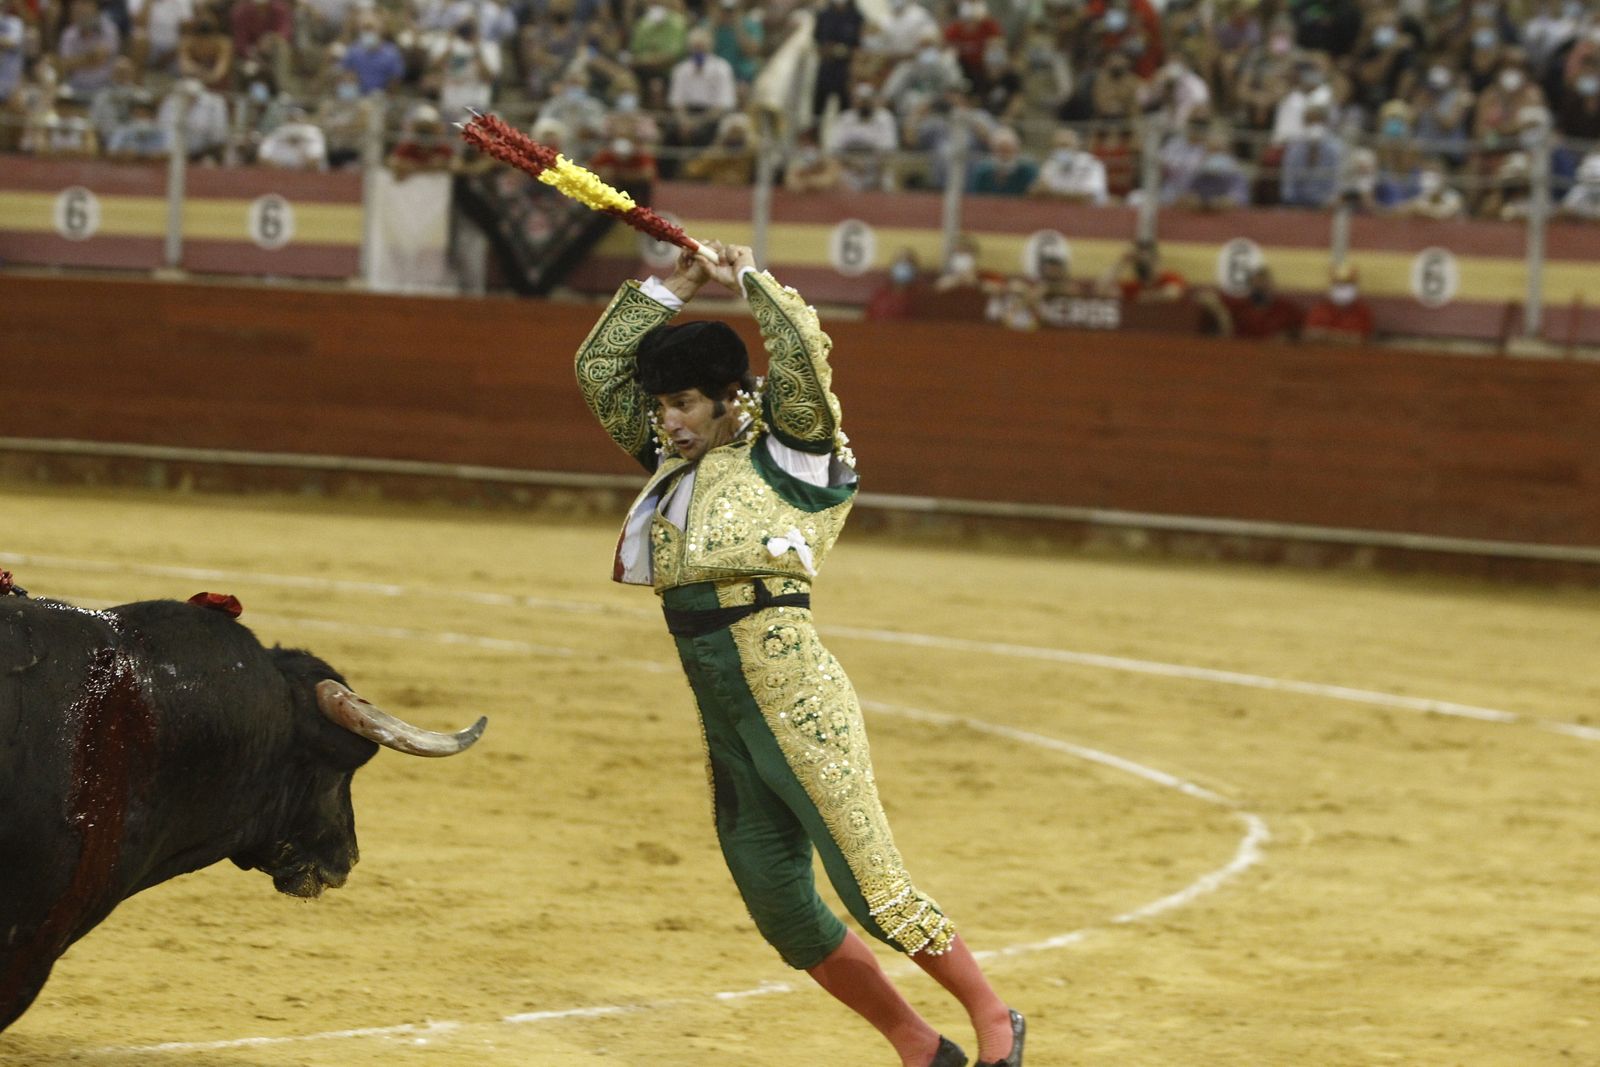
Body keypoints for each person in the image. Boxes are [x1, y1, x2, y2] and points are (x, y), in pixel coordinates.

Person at [571, 240, 1026, 1067]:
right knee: (780, 903)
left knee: (872, 888)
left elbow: (801, 352)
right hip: (723, 710)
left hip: (795, 698)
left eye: (680, 403)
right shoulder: (674, 459)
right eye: (661, 406)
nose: (665, 420)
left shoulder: (795, 450)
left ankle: (995, 1015)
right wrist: (675, 286)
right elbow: (599, 368)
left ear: (727, 398)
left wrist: (748, 273)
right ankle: (920, 1047)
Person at [1217, 265, 1304, 341]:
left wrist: (1288, 337)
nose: (1261, 291)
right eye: (1257, 288)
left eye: (1264, 286)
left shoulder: (1288, 310)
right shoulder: (1240, 311)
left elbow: (1303, 333)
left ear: (1271, 286)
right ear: (1250, 287)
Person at [1302, 262, 1376, 343]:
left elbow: (1363, 339)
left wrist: (1329, 337)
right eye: (1338, 284)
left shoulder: (1362, 313)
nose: (1342, 289)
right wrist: (1344, 338)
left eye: (1347, 284)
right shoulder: (1319, 311)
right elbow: (1311, 335)